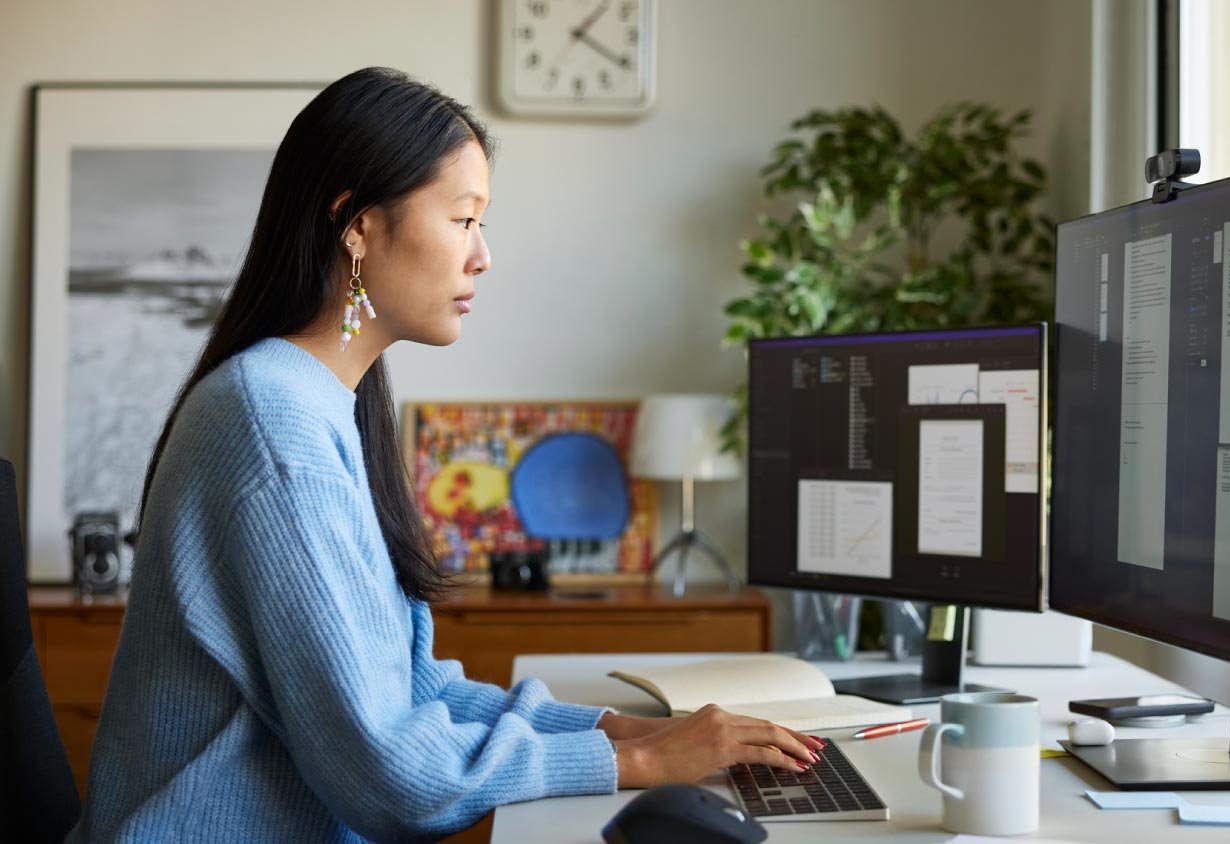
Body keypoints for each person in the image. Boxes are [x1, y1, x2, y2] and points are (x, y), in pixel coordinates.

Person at [68, 67, 821, 843]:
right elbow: (394, 777)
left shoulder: (321, 401)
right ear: (356, 225)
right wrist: (635, 765)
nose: (482, 255)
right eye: (464, 219)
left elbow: (409, 690)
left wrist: (624, 730)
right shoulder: (274, 423)